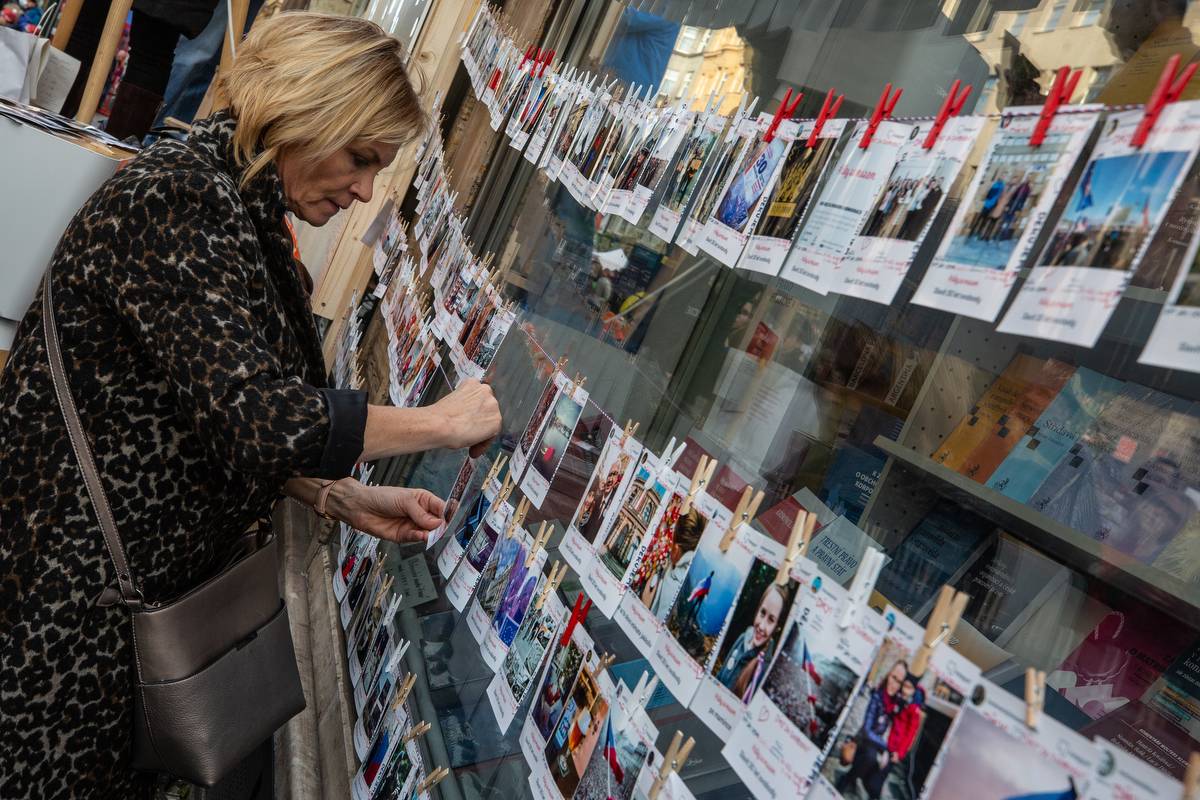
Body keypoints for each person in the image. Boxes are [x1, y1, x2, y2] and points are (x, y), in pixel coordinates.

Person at [0, 14, 501, 799]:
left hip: (127, 612)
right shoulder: (178, 200)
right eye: (361, 157)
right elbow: (259, 417)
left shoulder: (238, 207)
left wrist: (334, 493)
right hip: (68, 616)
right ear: (307, 111)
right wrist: (441, 422)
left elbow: (205, 406)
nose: (366, 188)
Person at [836, 660, 907, 798]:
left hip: (876, 743)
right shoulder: (877, 696)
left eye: (899, 682)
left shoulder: (895, 703)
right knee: (870, 757)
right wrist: (886, 748)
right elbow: (867, 731)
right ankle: (848, 778)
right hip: (863, 740)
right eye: (893, 677)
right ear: (888, 675)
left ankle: (868, 785)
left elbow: (907, 720)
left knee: (886, 765)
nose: (894, 684)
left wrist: (918, 694)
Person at [714, 583, 788, 699]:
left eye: (771, 620)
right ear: (757, 610)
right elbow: (719, 676)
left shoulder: (764, 670)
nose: (762, 626)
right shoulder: (742, 638)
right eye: (762, 613)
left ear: (777, 628)